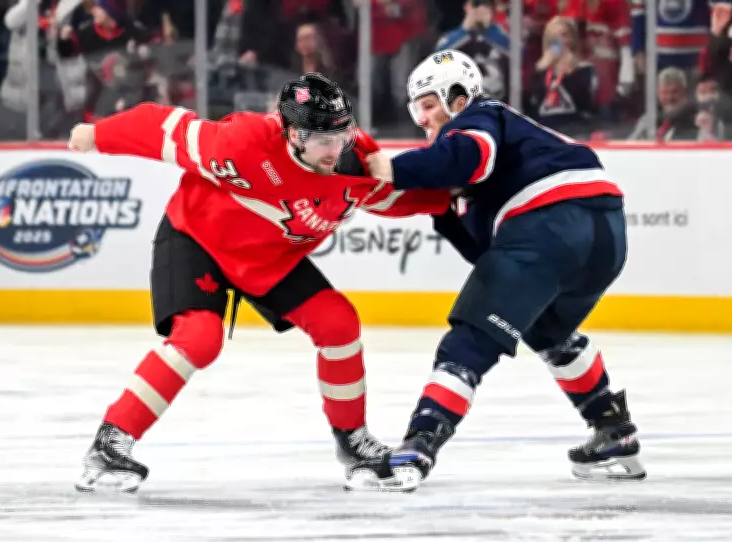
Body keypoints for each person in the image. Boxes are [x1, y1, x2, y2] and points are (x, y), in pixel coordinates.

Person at [66, 73, 451, 493]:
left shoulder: (357, 162)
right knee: (198, 338)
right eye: (323, 139)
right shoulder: (243, 143)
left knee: (338, 323)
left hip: (269, 260)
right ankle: (110, 443)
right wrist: (97, 135)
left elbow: (397, 198)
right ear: (294, 134)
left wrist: (457, 196)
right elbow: (163, 128)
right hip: (198, 237)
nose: (335, 149)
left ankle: (353, 442)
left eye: (342, 135)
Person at [345, 50, 646, 492]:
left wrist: (396, 168)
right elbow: (485, 251)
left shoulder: (480, 115)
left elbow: (472, 154)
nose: (423, 120)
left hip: (550, 219)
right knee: (548, 330)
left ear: (458, 97)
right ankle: (614, 433)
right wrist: (442, 209)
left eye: (428, 105)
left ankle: (417, 448)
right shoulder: (497, 148)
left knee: (469, 340)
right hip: (606, 233)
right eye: (416, 110)